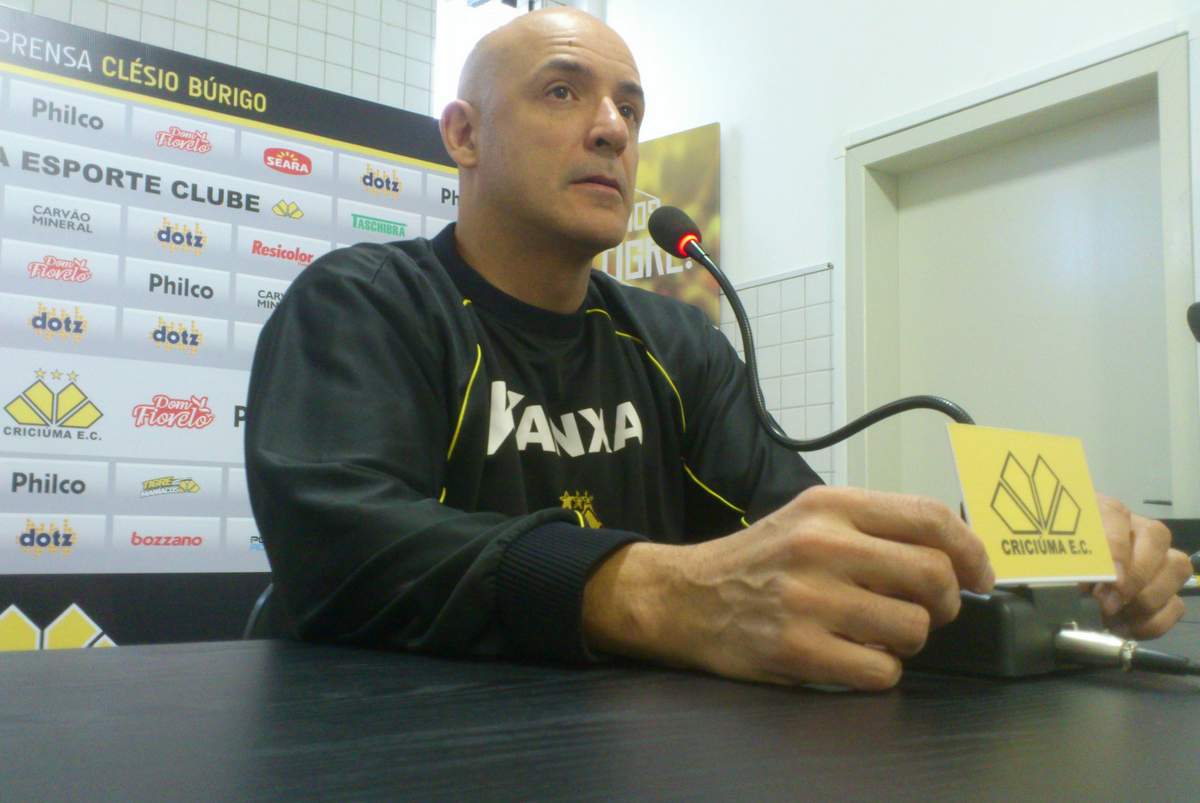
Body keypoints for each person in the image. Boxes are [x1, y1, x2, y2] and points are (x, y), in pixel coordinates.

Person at [244, 7, 1193, 690]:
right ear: (464, 135)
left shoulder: (674, 341)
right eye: (563, 92)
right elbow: (344, 550)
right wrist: (653, 591)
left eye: (630, 108)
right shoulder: (364, 303)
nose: (611, 129)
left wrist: (1015, 556)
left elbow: (797, 531)